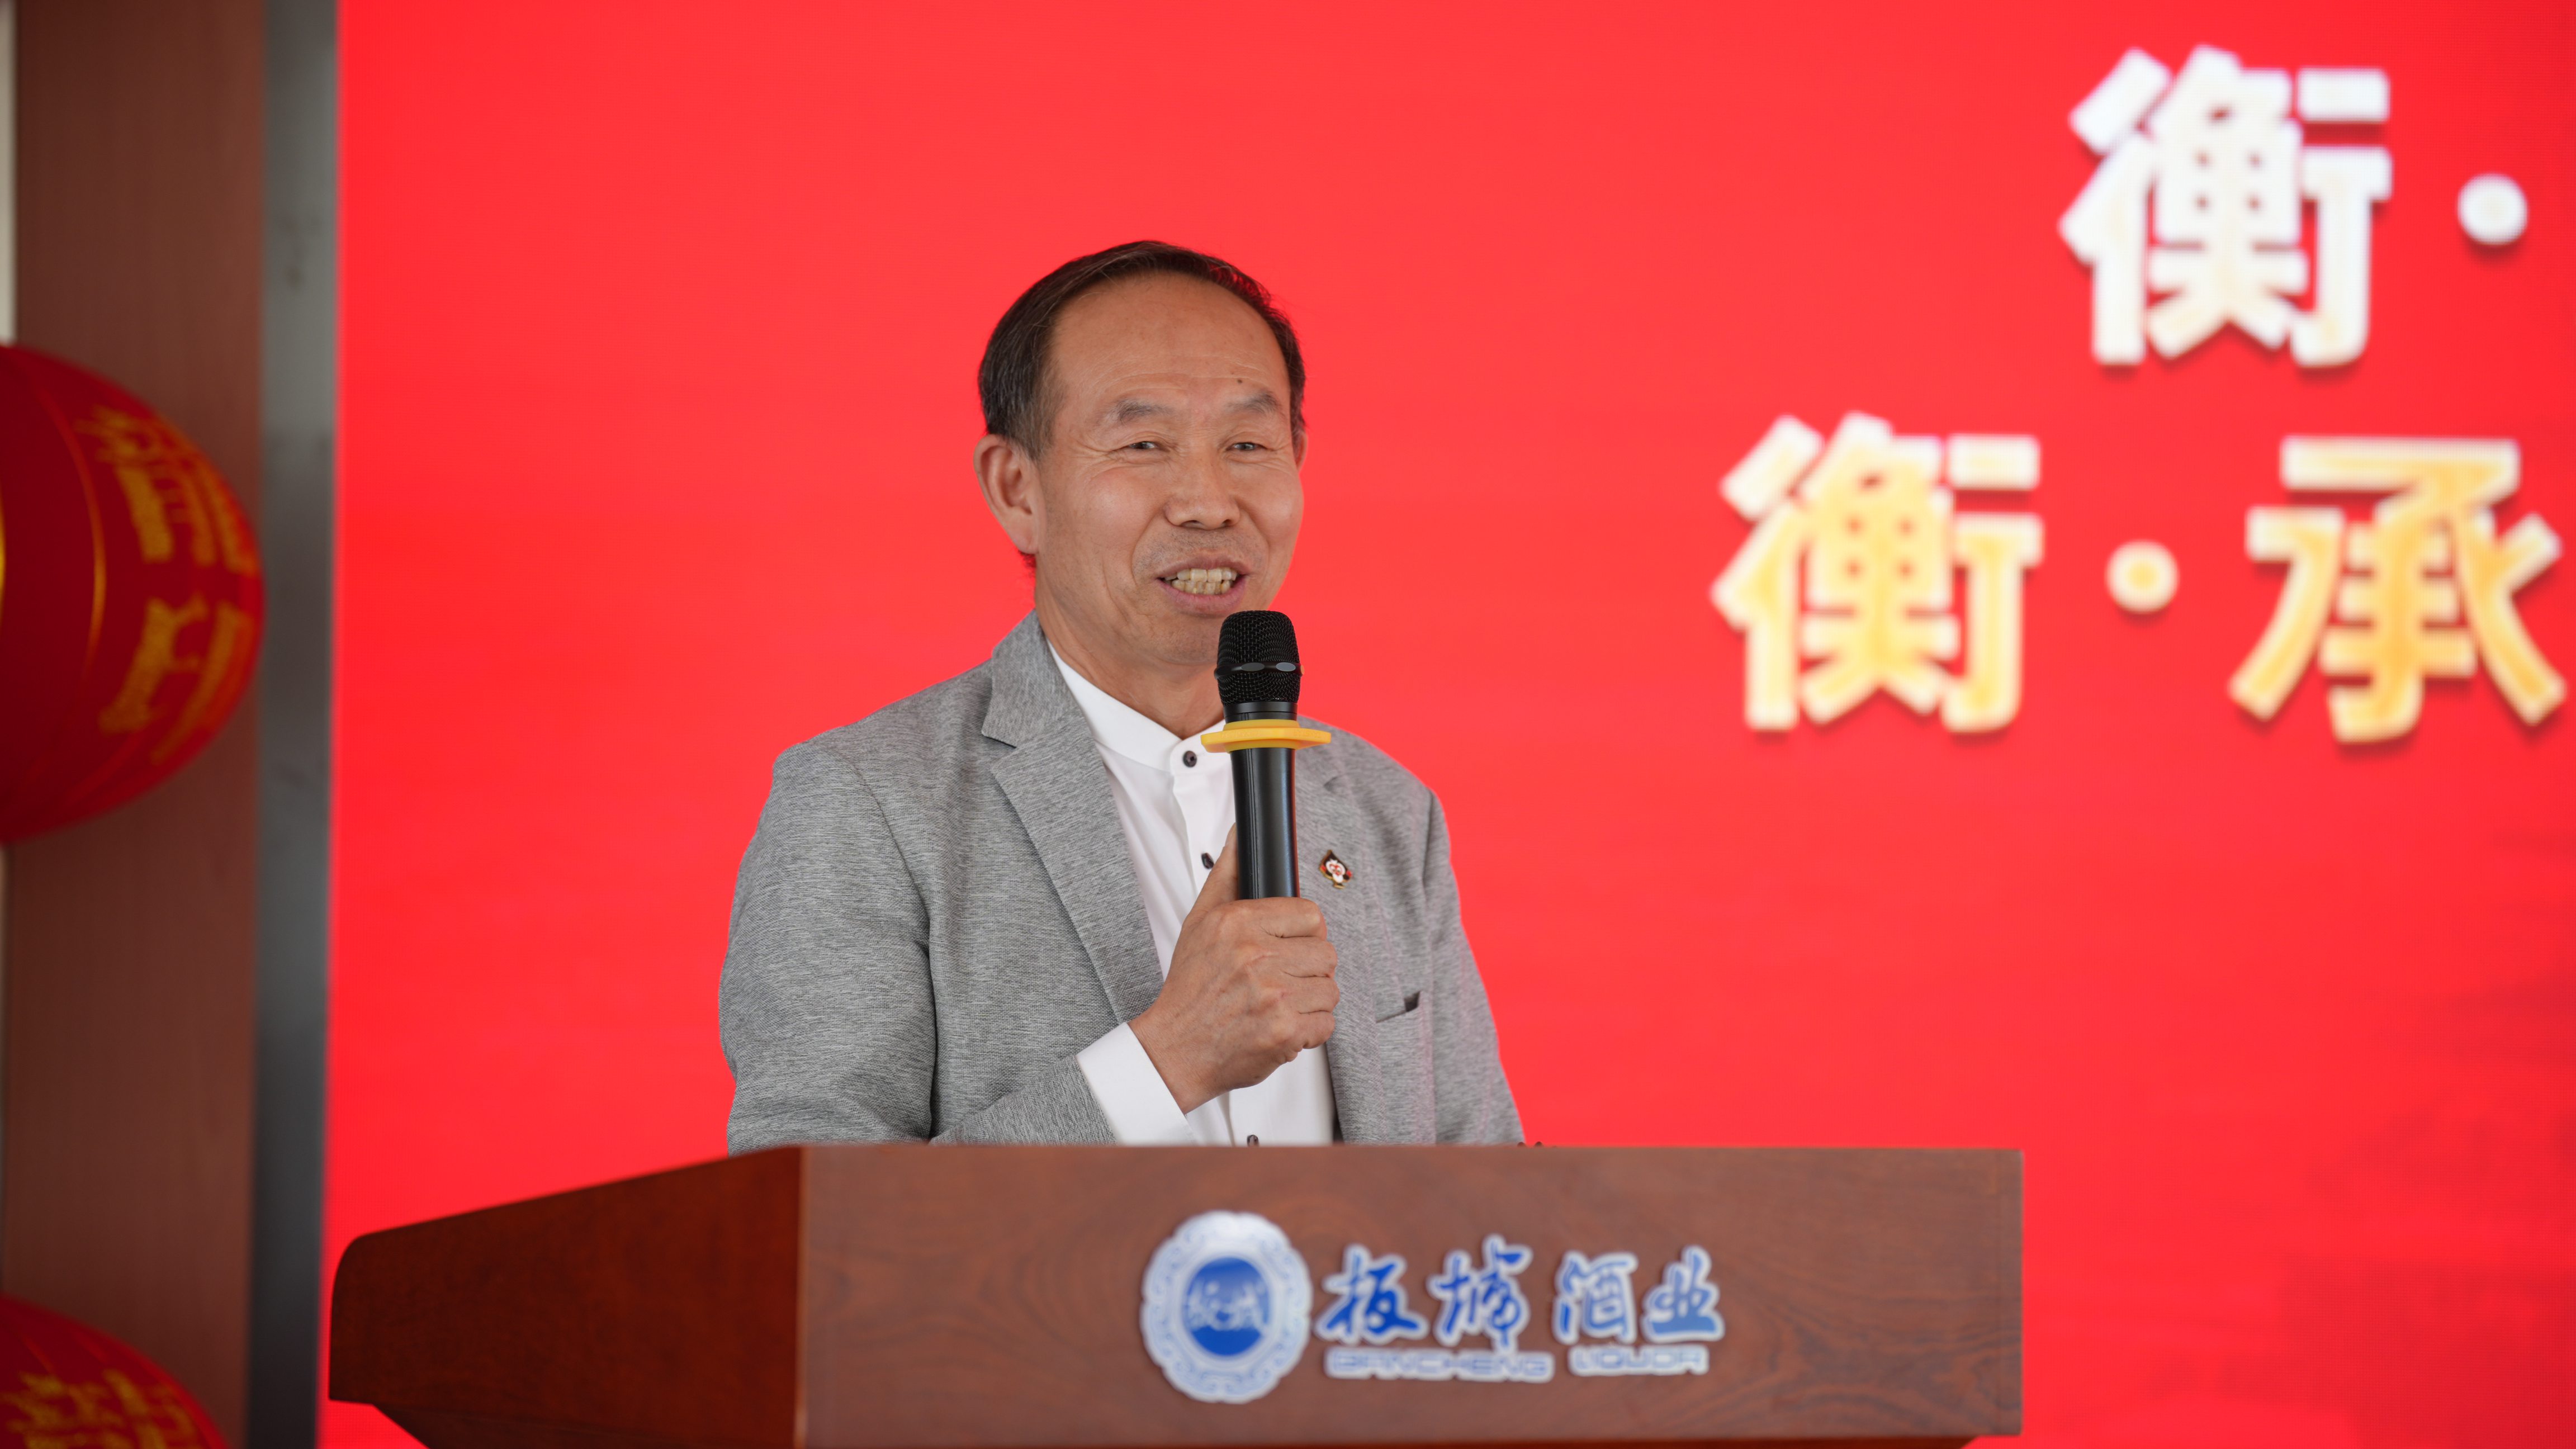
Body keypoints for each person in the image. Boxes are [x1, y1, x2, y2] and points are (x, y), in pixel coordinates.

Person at [719, 241, 1518, 1147]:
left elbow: (1482, 1185)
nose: (1208, 502)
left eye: (1247, 444)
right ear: (1017, 489)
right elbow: (813, 1207)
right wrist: (1166, 1059)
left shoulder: (1387, 813)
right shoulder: (865, 804)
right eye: (1145, 444)